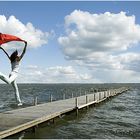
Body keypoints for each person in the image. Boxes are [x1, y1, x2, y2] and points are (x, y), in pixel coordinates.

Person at [0, 41, 27, 106]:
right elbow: (24, 52)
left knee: (16, 89)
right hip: (14, 74)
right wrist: (25, 45)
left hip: (11, 74)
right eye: (17, 54)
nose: (18, 55)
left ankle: (19, 102)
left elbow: (6, 54)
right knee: (8, 82)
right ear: (16, 56)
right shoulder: (18, 59)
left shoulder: (12, 59)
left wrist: (2, 48)